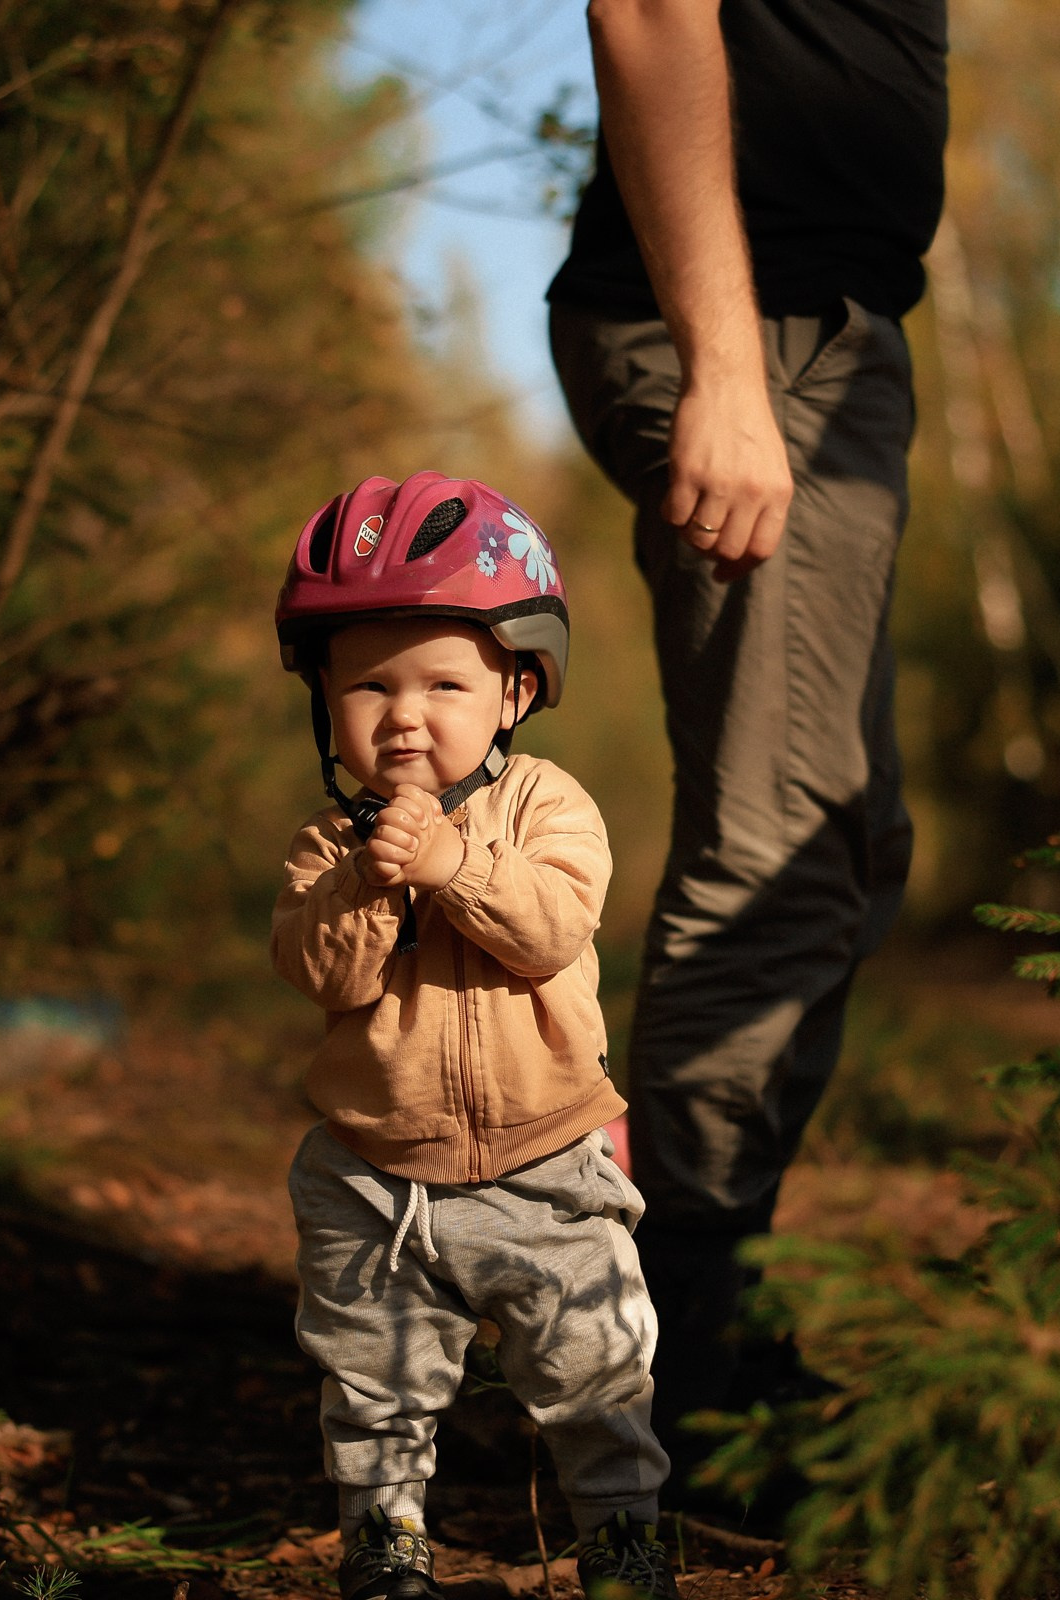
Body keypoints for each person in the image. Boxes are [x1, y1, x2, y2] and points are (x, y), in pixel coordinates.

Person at [549, 0, 950, 1489]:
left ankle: (709, 1320)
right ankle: (676, 1382)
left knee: (841, 842)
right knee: (777, 850)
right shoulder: (741, 343)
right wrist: (724, 364)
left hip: (824, 339)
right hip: (749, 334)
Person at [270, 472, 678, 1600]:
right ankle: (387, 1552)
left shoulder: (550, 807)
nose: (405, 714)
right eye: (369, 687)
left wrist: (453, 862)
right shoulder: (323, 846)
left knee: (597, 1373)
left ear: (514, 691)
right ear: (327, 704)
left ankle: (626, 1553)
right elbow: (320, 971)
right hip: (371, 1173)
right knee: (372, 1390)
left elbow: (551, 932)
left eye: (444, 682)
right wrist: (368, 879)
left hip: (546, 1164)